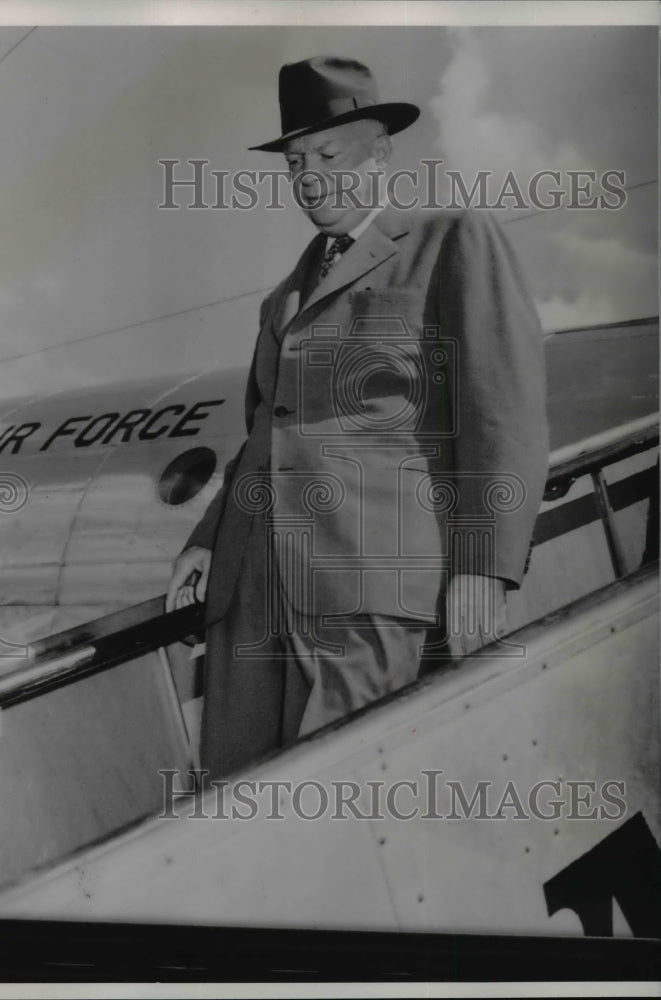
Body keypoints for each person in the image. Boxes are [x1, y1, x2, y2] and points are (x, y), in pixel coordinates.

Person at [166, 56, 549, 780]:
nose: (307, 176)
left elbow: (504, 415)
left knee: (348, 801)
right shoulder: (283, 294)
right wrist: (210, 538)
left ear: (380, 154)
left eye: (327, 154)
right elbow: (266, 434)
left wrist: (484, 565)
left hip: (369, 588)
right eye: (294, 161)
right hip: (254, 595)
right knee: (238, 807)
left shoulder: (450, 239)